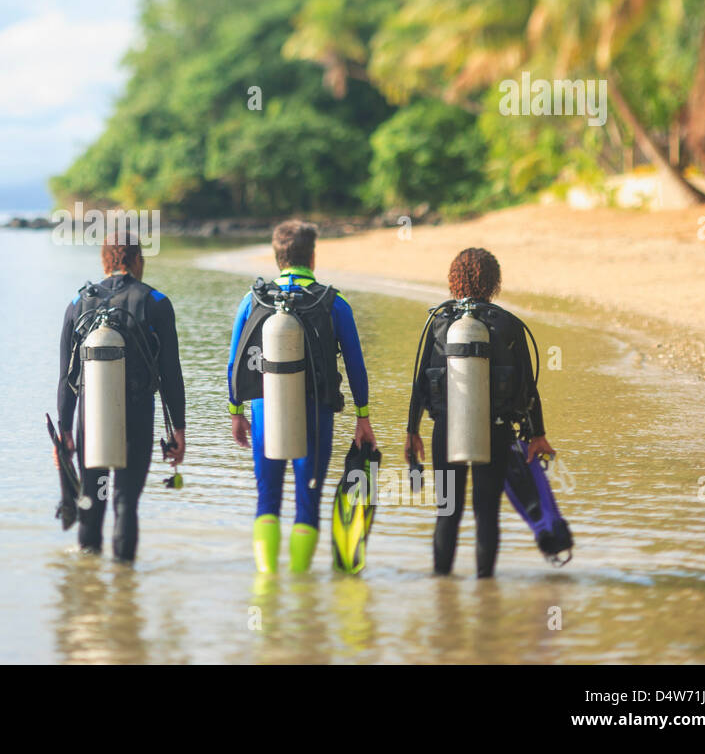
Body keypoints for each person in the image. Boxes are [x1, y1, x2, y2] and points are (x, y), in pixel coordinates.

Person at [227, 220, 376, 573]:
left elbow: (234, 361)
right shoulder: (334, 303)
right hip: (316, 415)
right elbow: (356, 365)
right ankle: (300, 592)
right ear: (312, 255)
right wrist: (363, 416)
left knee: (268, 500)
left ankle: (266, 586)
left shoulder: (253, 300)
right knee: (307, 502)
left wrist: (235, 411)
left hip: (265, 413)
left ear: (278, 257)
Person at [405, 247, 553, 578]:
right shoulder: (509, 325)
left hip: (445, 429)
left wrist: (411, 432)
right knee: (487, 513)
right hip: (496, 430)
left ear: (453, 281)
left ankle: (442, 589)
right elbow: (528, 387)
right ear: (494, 282)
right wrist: (538, 435)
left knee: (447, 511)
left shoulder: (439, 322)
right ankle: (486, 588)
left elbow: (420, 382)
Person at [56, 231, 186, 562]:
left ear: (105, 260)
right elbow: (171, 372)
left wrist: (65, 432)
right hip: (136, 413)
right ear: (137, 260)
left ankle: (88, 583)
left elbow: (66, 376)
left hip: (91, 415)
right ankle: (124, 590)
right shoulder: (155, 302)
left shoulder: (78, 302)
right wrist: (178, 431)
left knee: (91, 498)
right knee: (125, 501)